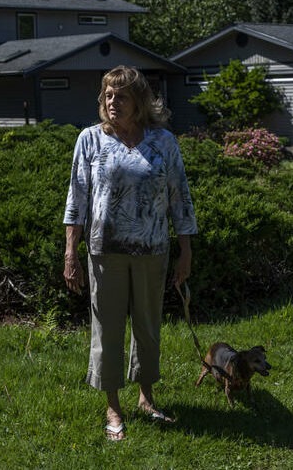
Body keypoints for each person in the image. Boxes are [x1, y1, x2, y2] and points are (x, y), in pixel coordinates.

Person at [63, 65, 197, 442]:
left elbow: (179, 197)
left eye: (120, 95)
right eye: (107, 95)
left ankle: (146, 398)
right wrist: (70, 253)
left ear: (138, 101)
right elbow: (77, 201)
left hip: (153, 250)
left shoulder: (164, 142)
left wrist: (185, 250)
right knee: (107, 330)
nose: (111, 102)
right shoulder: (89, 140)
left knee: (148, 328)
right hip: (105, 252)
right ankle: (112, 406)